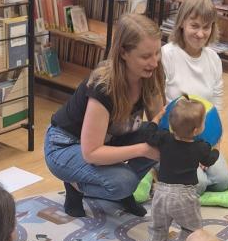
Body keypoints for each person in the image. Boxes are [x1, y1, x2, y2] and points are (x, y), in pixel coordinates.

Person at [44, 14, 165, 219]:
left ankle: (122, 192)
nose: (154, 62)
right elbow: (91, 153)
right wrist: (143, 150)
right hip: (64, 146)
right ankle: (76, 186)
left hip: (107, 140)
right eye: (146, 56)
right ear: (123, 52)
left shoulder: (150, 75)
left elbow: (160, 125)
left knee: (158, 140)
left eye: (157, 53)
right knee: (123, 182)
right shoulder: (104, 86)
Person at [161, 0, 228, 194]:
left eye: (206, 27)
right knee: (198, 184)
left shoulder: (213, 59)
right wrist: (188, 152)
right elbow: (158, 110)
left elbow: (216, 106)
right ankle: (157, 169)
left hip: (203, 138)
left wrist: (213, 145)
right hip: (173, 140)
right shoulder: (167, 55)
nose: (201, 34)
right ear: (182, 23)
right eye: (194, 26)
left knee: (223, 180)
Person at [146, 97, 220, 241]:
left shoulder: (164, 138)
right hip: (184, 196)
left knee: (158, 225)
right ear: (196, 130)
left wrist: (156, 118)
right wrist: (216, 148)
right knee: (191, 227)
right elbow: (209, 160)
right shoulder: (200, 147)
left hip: (161, 192)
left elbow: (149, 135)